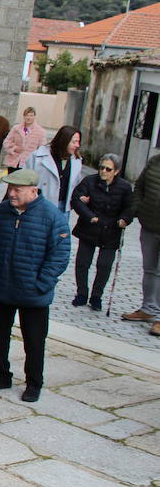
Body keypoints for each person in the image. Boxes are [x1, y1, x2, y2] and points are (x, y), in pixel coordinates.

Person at [0, 168, 71, 403]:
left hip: (34, 292)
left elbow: (60, 255)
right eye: (10, 188)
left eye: (17, 190)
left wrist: (42, 283)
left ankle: (34, 382)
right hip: (3, 287)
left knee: (34, 340)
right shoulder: (1, 212)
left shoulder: (52, 217)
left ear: (33, 190)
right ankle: (0, 374)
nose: (11, 193)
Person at [69, 153, 133, 311]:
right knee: (83, 263)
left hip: (111, 230)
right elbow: (76, 199)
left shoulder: (124, 187)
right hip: (90, 228)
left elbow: (130, 207)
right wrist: (90, 216)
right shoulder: (89, 181)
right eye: (101, 167)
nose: (103, 171)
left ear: (116, 171)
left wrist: (124, 219)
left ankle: (97, 296)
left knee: (104, 265)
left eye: (108, 169)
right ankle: (81, 293)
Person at [123, 151, 160, 334]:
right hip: (150, 226)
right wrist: (137, 207)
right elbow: (139, 186)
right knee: (150, 269)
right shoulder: (154, 161)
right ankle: (148, 309)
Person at [25, 125, 81, 212]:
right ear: (64, 141)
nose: (77, 145)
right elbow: (25, 180)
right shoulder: (38, 157)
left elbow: (76, 185)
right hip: (40, 205)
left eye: (78, 142)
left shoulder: (76, 160)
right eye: (74, 142)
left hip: (63, 208)